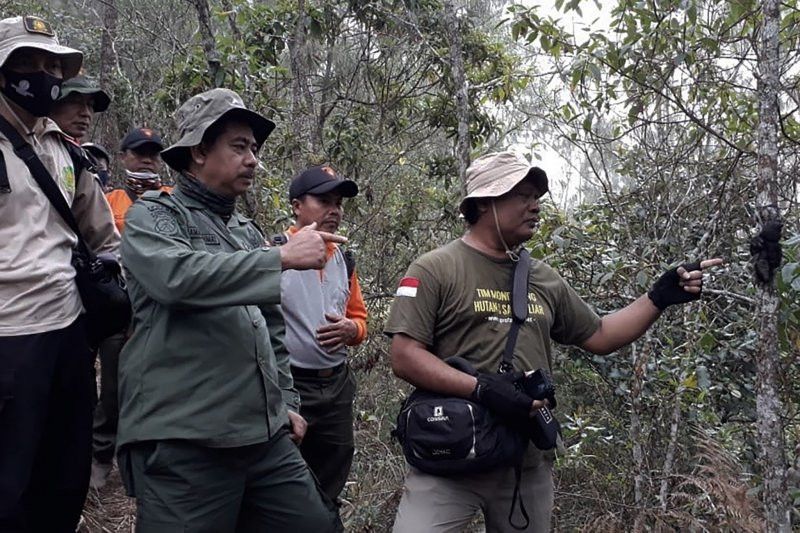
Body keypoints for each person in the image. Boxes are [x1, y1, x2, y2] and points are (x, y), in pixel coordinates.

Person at [384, 151, 723, 532]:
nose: (535, 206)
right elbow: (404, 356)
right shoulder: (435, 268)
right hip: (448, 455)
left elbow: (600, 335)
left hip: (523, 463)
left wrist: (658, 297)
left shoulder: (544, 278)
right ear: (483, 203)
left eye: (537, 197)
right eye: (522, 195)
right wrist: (482, 389)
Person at [116, 87, 344, 532]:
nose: (253, 160)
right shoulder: (155, 216)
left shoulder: (242, 228)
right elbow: (175, 278)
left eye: (254, 149)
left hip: (263, 436)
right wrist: (278, 256)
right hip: (186, 437)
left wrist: (288, 401)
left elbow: (269, 324)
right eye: (239, 147)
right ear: (199, 151)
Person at [0, 15, 119, 532]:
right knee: (9, 484)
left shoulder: (63, 149)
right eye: (27, 63)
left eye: (53, 65)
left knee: (63, 475)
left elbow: (104, 235)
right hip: (8, 339)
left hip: (69, 334)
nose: (43, 74)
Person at [279, 165, 367, 502]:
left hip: (336, 385)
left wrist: (352, 329)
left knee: (334, 465)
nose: (334, 210)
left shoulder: (343, 259)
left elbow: (359, 319)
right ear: (297, 205)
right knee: (286, 470)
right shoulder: (275, 252)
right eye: (324, 201)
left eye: (339, 203)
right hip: (291, 383)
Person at [89, 127, 170, 489]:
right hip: (119, 310)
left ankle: (152, 459)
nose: (147, 161)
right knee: (113, 387)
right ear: (124, 158)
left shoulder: (172, 200)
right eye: (139, 154)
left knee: (160, 387)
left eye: (153, 154)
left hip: (162, 311)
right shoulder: (110, 201)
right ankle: (102, 454)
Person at [49, 74, 110, 143]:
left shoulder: (82, 151)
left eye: (90, 105)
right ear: (53, 106)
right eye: (75, 102)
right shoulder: (39, 147)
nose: (86, 113)